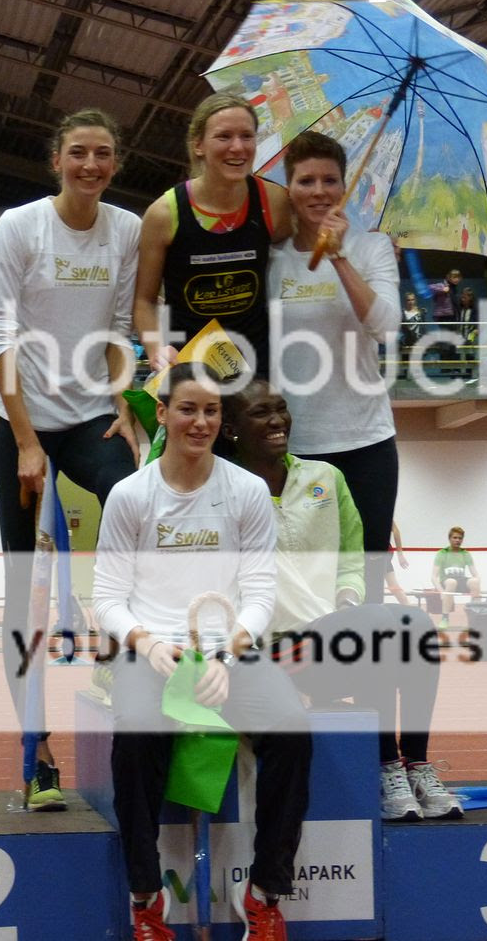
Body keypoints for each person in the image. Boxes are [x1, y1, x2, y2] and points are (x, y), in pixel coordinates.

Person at [93, 363, 311, 940]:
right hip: (154, 652)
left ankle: (264, 894)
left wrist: (227, 654)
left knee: (292, 730)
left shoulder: (246, 491)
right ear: (162, 414)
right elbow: (107, 599)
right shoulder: (130, 496)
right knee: (134, 738)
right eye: (188, 409)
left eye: (211, 411)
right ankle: (147, 897)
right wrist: (147, 644)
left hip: (228, 652)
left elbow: (260, 595)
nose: (200, 422)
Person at [0, 108, 142, 810]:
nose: (91, 165)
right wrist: (25, 440)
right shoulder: (21, 227)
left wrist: (124, 402)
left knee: (134, 501)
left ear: (115, 163)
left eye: (103, 154)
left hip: (90, 418)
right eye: (78, 152)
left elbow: (119, 329)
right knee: (25, 591)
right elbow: (0, 333)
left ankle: (119, 655)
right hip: (23, 420)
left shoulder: (126, 230)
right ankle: (37, 749)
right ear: (57, 159)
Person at [222, 379, 461, 822]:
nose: (277, 420)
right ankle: (385, 767)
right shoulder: (222, 491)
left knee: (415, 628)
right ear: (231, 429)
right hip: (274, 654)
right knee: (379, 630)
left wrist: (349, 604)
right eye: (260, 413)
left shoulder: (325, 479)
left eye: (281, 408)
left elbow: (352, 559)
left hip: (334, 638)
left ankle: (413, 765)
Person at [268, 131, 401, 605]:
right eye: (306, 181)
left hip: (366, 443)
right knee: (302, 588)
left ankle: (367, 657)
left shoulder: (372, 247)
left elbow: (386, 327)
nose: (319, 191)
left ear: (345, 187)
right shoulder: (271, 259)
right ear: (289, 188)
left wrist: (340, 256)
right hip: (294, 446)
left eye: (330, 180)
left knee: (366, 584)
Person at [133, 92, 292, 378]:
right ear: (198, 145)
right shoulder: (164, 213)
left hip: (256, 374)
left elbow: (301, 255)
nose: (238, 147)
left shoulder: (274, 201)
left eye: (247, 136)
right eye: (224, 136)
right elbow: (144, 301)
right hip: (188, 372)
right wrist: (157, 349)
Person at [429, 526, 482, 627]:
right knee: (451, 582)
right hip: (446, 582)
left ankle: (476, 617)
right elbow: (433, 577)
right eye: (455, 537)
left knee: (474, 582)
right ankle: (445, 618)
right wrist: (441, 592)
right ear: (449, 538)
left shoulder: (465, 554)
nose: (457, 540)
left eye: (460, 538)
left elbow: (475, 574)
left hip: (461, 581)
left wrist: (478, 586)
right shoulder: (442, 553)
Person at [398, 292, 424, 378]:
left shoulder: (420, 312)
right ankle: (406, 373)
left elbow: (423, 327)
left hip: (417, 339)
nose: (410, 302)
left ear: (415, 300)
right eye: (408, 300)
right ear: (405, 301)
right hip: (406, 339)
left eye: (412, 299)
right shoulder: (402, 313)